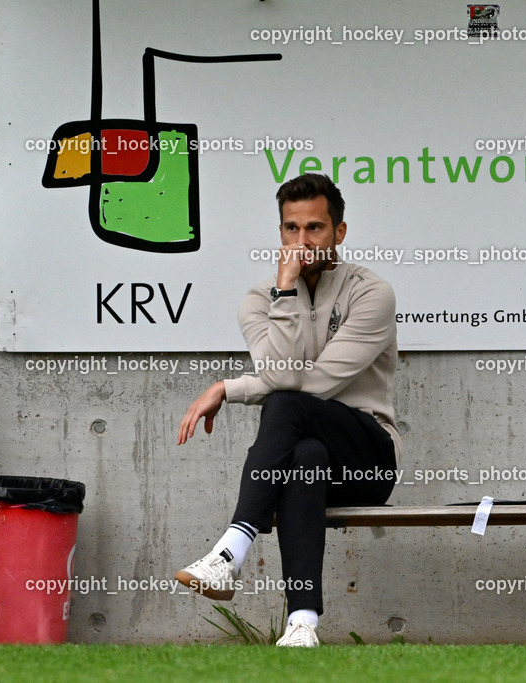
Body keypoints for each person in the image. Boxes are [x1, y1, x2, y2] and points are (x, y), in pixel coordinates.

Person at [174, 173, 401, 647]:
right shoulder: (260, 300)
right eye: (291, 228)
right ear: (279, 231)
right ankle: (303, 622)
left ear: (339, 231)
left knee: (288, 403)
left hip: (368, 460)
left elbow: (314, 385)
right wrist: (285, 291)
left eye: (315, 228)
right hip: (314, 460)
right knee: (304, 456)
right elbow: (280, 373)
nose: (302, 241)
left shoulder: (371, 293)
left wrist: (229, 388)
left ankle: (231, 550)